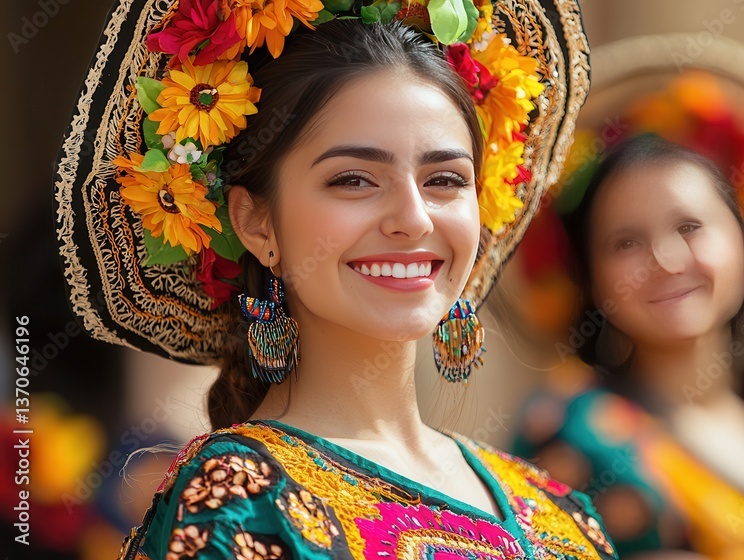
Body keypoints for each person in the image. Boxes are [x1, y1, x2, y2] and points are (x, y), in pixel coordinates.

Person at [53, 1, 612, 558]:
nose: (414, 218)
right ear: (255, 220)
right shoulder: (238, 500)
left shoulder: (561, 514)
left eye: (445, 179)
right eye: (353, 180)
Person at [514, 134, 744, 558]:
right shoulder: (569, 434)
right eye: (626, 242)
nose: (665, 258)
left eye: (689, 227)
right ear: (592, 276)